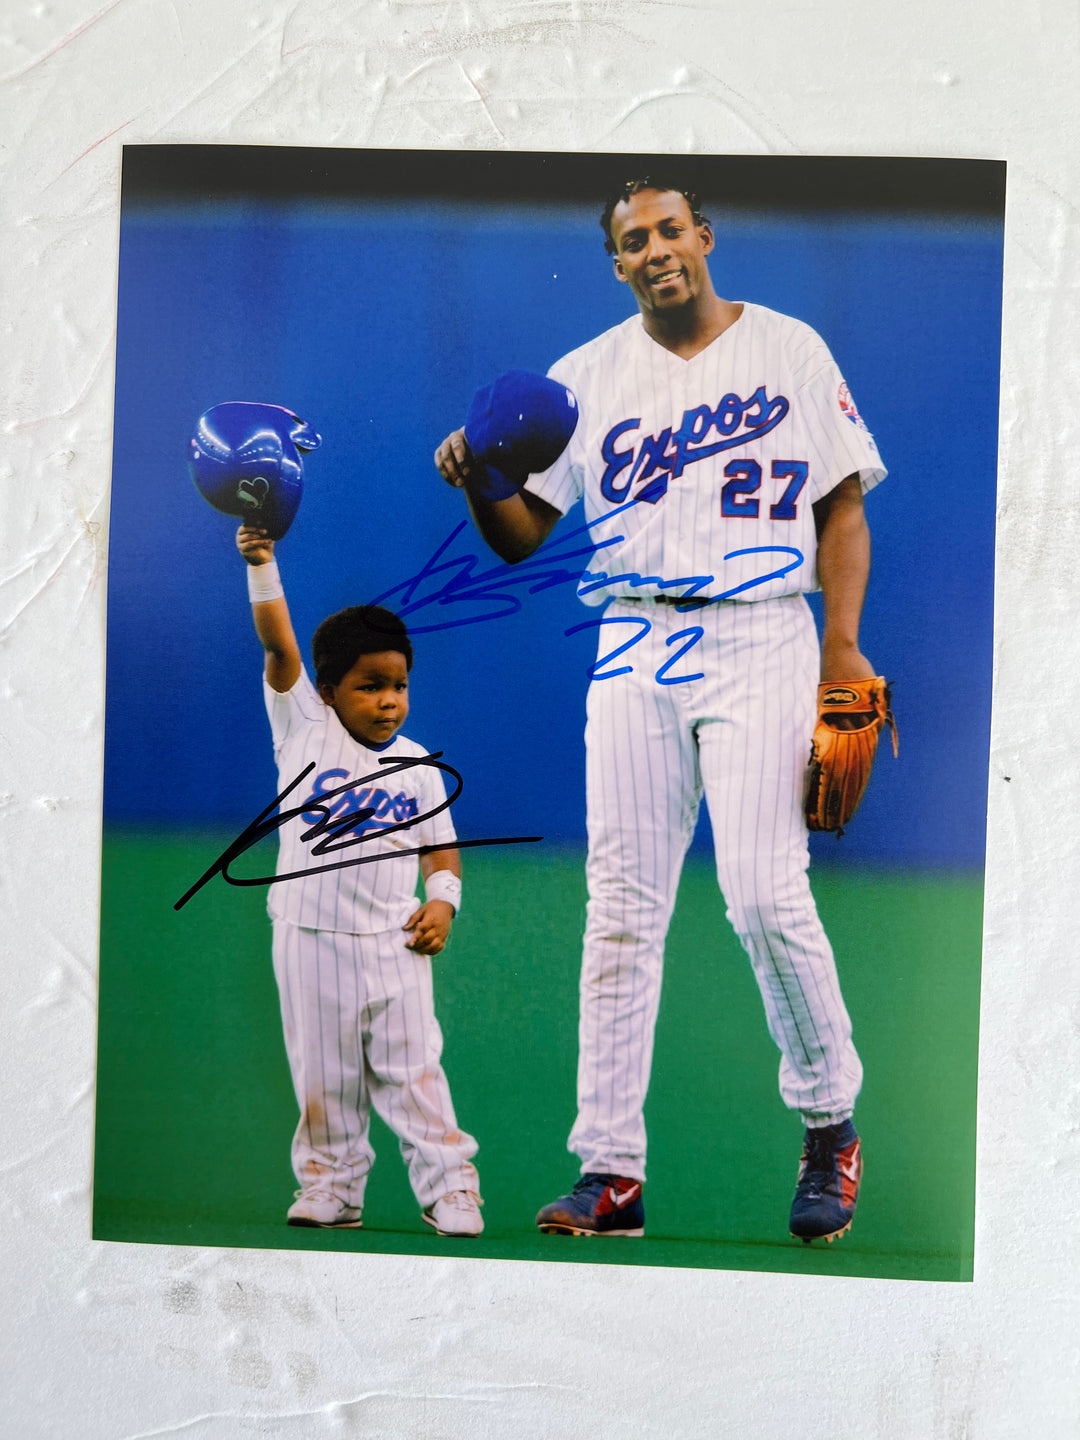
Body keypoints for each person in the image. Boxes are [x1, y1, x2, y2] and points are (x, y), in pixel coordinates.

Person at [434, 177, 886, 1243]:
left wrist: (843, 645)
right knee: (622, 907)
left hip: (762, 630)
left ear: (705, 237)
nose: (655, 249)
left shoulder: (788, 348)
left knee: (763, 895)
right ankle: (610, 1172)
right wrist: (474, 476)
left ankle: (830, 1124)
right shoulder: (583, 377)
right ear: (617, 263)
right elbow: (520, 534)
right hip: (634, 638)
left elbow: (844, 508)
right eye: (632, 240)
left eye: (670, 230)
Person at [235, 522, 484, 1237]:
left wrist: (444, 903)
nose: (388, 700)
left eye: (399, 685)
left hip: (394, 948)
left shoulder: (420, 766)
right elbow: (278, 643)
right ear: (327, 691)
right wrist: (263, 563)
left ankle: (451, 1190)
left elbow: (442, 852)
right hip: (309, 939)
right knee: (324, 1078)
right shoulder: (303, 731)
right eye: (369, 686)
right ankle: (333, 1187)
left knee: (415, 1077)